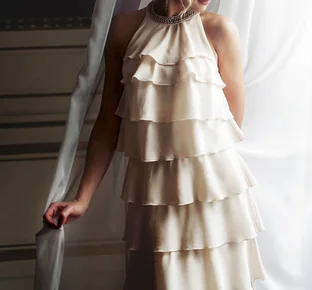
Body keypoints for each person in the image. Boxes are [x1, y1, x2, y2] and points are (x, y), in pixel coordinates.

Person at [43, 0, 265, 288]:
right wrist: (82, 199)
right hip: (151, 195)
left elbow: (231, 126)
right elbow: (109, 122)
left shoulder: (219, 29)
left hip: (211, 196)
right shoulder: (124, 29)